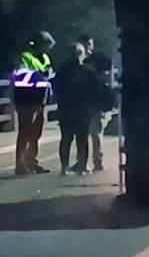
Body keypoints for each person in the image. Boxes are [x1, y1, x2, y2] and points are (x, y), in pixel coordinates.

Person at [53, 43, 102, 176]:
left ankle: (64, 167)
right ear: (82, 54)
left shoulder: (62, 71)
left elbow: (56, 88)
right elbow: (97, 91)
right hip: (83, 110)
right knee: (82, 140)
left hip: (66, 109)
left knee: (66, 139)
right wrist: (96, 108)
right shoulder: (89, 72)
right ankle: (81, 166)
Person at [12, 31, 55, 175]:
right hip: (26, 99)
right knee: (25, 132)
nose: (48, 49)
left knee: (36, 133)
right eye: (46, 46)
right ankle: (21, 164)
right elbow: (21, 76)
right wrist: (42, 77)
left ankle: (32, 161)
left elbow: (49, 74)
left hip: (40, 100)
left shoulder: (44, 57)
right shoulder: (25, 56)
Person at [77, 34, 113, 172]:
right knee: (82, 134)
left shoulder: (98, 58)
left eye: (89, 44)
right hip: (81, 101)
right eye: (85, 44)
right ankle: (81, 162)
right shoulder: (76, 61)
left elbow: (107, 69)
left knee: (96, 133)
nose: (88, 47)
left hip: (95, 100)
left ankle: (98, 161)